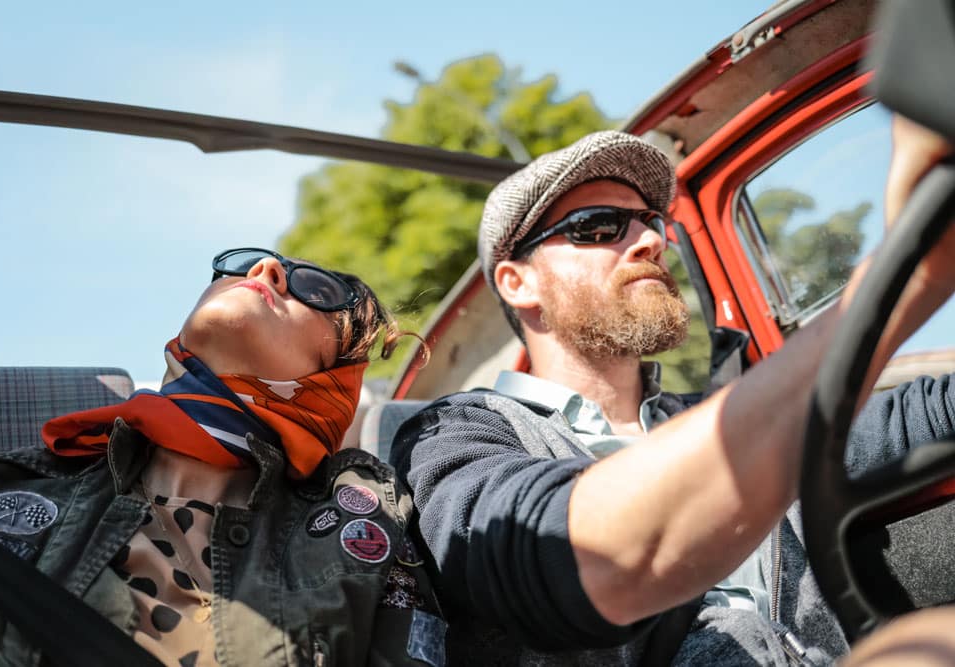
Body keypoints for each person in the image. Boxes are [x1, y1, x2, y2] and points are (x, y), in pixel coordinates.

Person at [390, 121, 955, 665]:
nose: (650, 241)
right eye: (599, 227)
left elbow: (919, 414)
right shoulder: (453, 434)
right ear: (519, 282)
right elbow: (573, 557)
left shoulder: (708, 416)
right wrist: (901, 283)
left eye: (649, 221)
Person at [0, 248, 445, 667]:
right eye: (242, 265)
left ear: (334, 388)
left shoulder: (362, 525)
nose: (264, 270)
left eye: (316, 289)